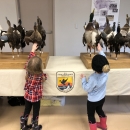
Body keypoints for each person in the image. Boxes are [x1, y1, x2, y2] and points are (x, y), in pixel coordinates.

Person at [80, 43, 110, 130]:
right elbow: (104, 59)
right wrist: (100, 50)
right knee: (100, 110)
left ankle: (93, 128)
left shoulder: (93, 78)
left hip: (92, 101)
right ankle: (103, 125)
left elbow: (87, 88)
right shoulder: (106, 71)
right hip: (102, 98)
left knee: (91, 115)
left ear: (93, 67)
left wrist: (83, 79)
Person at [20, 43, 47, 130]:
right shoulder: (40, 75)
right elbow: (45, 78)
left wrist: (32, 50)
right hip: (35, 98)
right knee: (36, 111)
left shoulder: (28, 69)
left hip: (27, 96)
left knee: (26, 110)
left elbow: (29, 60)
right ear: (40, 67)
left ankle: (23, 126)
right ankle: (35, 126)